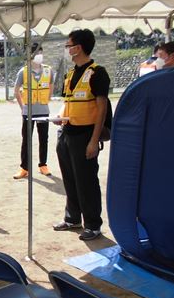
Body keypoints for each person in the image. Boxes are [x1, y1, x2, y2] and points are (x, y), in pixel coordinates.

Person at [54, 29, 110, 241]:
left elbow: (102, 108)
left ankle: (93, 225)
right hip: (66, 132)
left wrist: (94, 141)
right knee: (69, 178)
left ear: (78, 48)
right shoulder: (70, 74)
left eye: (68, 45)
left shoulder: (97, 73)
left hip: (85, 135)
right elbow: (67, 101)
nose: (67, 49)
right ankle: (72, 218)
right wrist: (59, 116)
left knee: (86, 181)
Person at [13, 46, 53, 179]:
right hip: (28, 112)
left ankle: (43, 165)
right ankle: (24, 168)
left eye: (41, 52)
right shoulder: (23, 72)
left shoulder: (48, 71)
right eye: (36, 53)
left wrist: (46, 100)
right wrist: (22, 107)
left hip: (43, 111)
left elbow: (51, 87)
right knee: (26, 139)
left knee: (44, 138)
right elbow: (16, 90)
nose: (39, 55)